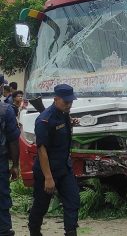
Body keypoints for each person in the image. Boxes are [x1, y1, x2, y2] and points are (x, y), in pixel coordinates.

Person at [28, 84, 80, 236]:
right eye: (66, 102)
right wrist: (49, 178)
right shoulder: (44, 120)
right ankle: (34, 230)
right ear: (56, 99)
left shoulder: (64, 113)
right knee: (41, 205)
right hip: (47, 171)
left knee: (73, 201)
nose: (69, 104)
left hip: (64, 168)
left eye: (71, 101)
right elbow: (41, 150)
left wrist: (71, 123)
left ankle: (70, 232)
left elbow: (62, 129)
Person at [0, 75, 21, 236]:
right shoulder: (5, 110)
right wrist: (15, 165)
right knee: (1, 195)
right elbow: (14, 140)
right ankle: (4, 230)